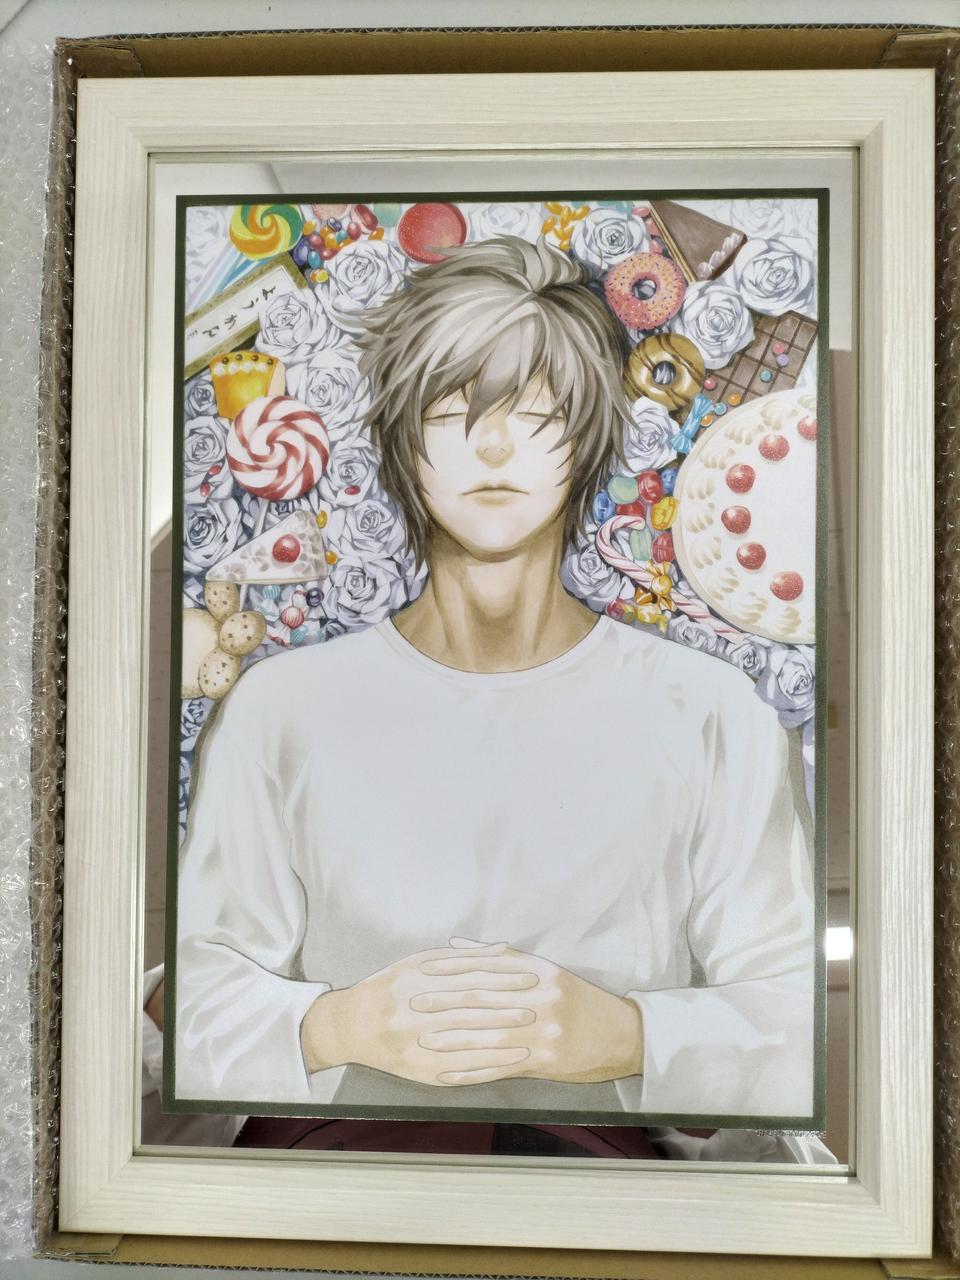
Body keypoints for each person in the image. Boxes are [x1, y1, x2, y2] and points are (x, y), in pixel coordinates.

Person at [174, 235, 816, 1122]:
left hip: (619, 1188)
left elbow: (797, 1028)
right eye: (451, 409)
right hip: (335, 1171)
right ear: (402, 439)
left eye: (540, 411)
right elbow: (192, 1009)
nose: (493, 444)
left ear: (589, 436)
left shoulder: (711, 714)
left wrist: (626, 1035)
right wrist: (340, 1025)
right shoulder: (281, 710)